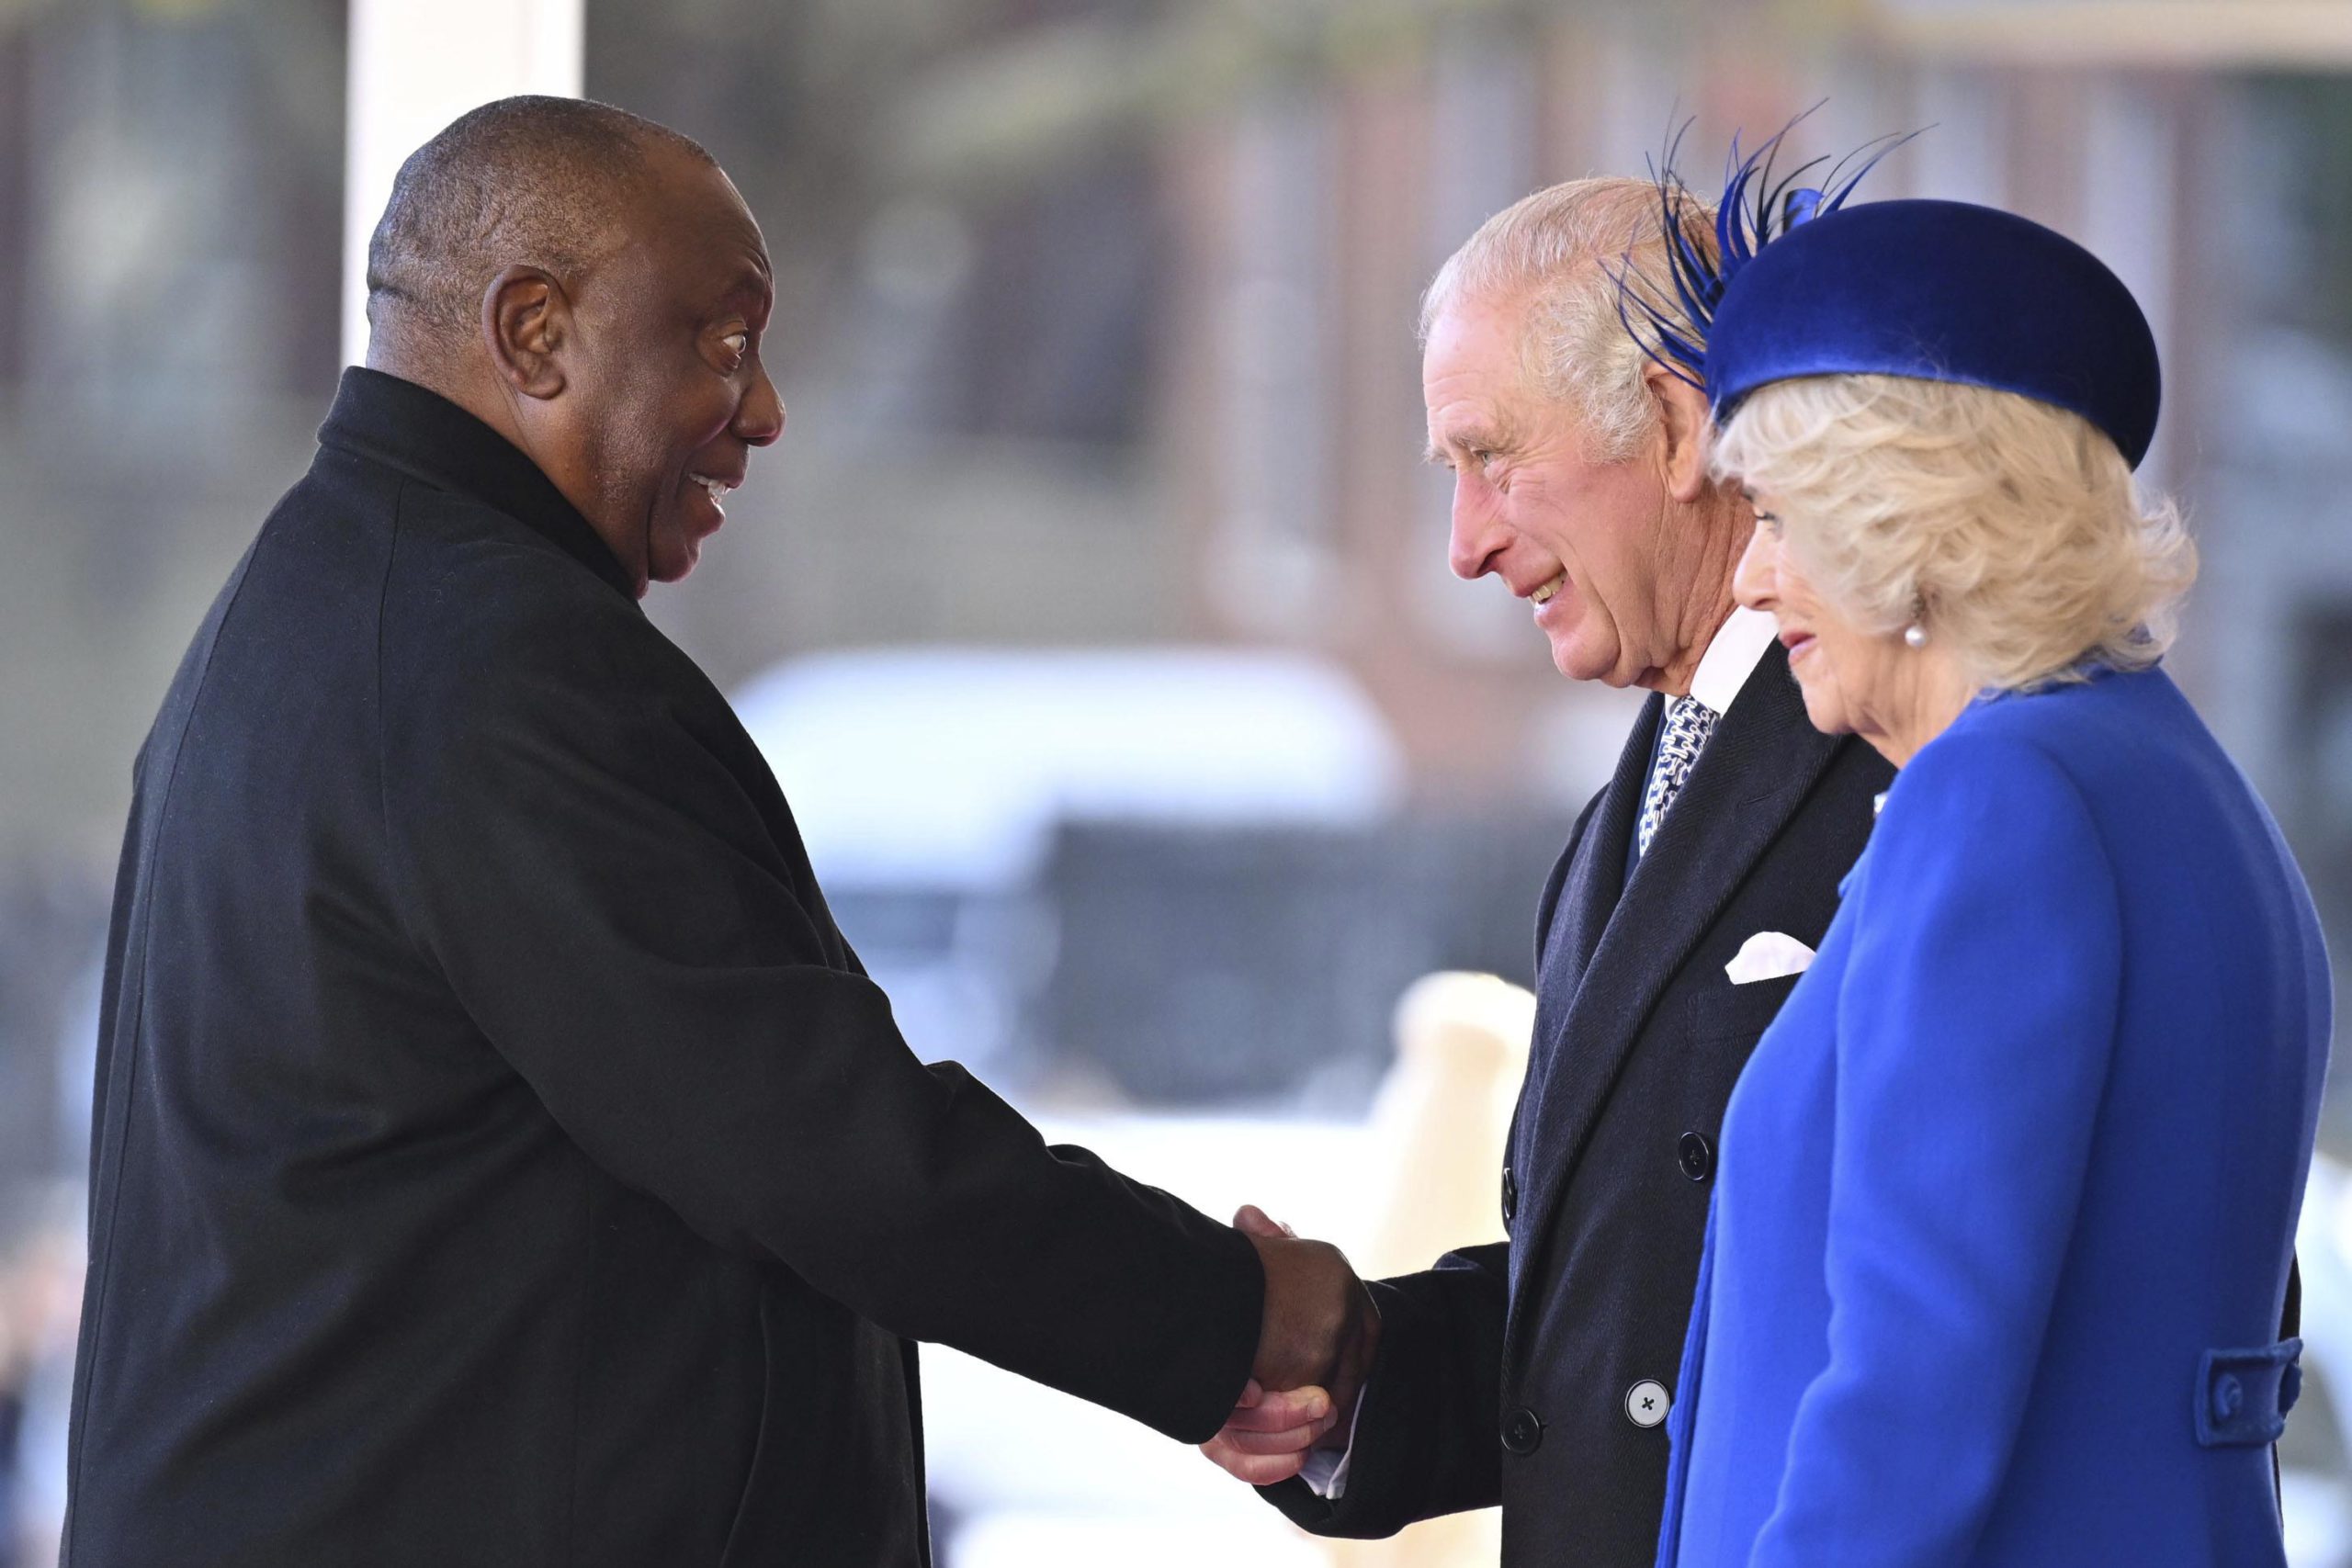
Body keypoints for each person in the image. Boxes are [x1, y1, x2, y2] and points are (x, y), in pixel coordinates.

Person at [60, 96, 1374, 1568]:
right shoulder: (489, 665)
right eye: (722, 342)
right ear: (536, 332)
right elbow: (832, 1149)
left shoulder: (330, 609)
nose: (761, 412)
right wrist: (1256, 1320)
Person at [1199, 176, 1894, 1566]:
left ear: (1681, 424)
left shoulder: (1913, 760)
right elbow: (1616, 1303)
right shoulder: (1620, 813)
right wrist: (1338, 1372)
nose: (1466, 547)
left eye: (1495, 459)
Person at [1635, 186, 2332, 1565]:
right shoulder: (2164, 776)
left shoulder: (2003, 798)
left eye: (1776, 516)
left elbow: (1911, 1399)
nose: (1754, 578)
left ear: (1913, 522)